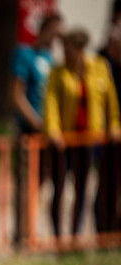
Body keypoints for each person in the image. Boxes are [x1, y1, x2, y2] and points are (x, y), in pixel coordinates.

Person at [44, 28, 121, 242]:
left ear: (79, 49)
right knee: (58, 189)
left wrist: (114, 125)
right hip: (64, 140)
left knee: (82, 189)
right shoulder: (58, 73)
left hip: (89, 138)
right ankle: (58, 237)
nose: (65, 53)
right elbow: (50, 104)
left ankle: (75, 237)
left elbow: (111, 102)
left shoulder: (99, 68)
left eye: (68, 48)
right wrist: (53, 131)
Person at [10, 13, 62, 245]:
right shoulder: (24, 54)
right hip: (28, 130)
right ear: (44, 30)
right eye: (54, 31)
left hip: (47, 132)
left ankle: (32, 231)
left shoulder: (51, 58)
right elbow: (16, 94)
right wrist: (36, 122)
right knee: (25, 182)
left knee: (41, 183)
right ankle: (22, 235)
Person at [97, 2, 121, 234]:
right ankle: (104, 232)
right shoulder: (102, 61)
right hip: (108, 137)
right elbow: (108, 101)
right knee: (107, 188)